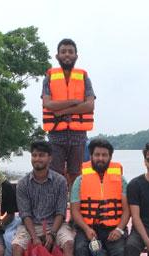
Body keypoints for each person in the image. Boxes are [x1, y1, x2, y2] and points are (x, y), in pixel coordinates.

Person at [12, 140, 74, 256]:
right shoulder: (23, 184)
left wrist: (52, 234)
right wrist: (34, 238)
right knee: (16, 247)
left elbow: (61, 212)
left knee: (68, 243)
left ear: (50, 158)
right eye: (34, 155)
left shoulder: (60, 181)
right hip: (31, 225)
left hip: (55, 224)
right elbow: (25, 215)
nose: (37, 159)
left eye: (41, 155)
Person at [69, 138, 128, 256]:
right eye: (97, 155)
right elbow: (75, 211)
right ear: (91, 157)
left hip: (113, 228)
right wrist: (87, 229)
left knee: (120, 253)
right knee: (80, 249)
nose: (100, 158)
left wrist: (119, 230)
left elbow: (126, 211)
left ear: (110, 157)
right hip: (87, 227)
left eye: (104, 155)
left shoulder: (121, 181)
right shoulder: (79, 181)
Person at [41, 38, 95, 187]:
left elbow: (90, 106)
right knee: (55, 173)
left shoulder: (84, 77)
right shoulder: (49, 77)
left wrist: (63, 111)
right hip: (56, 134)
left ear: (76, 56)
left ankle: (74, 204)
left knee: (76, 173)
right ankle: (57, 205)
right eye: (63, 52)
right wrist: (74, 101)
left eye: (70, 52)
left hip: (78, 136)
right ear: (57, 56)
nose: (67, 55)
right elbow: (48, 104)